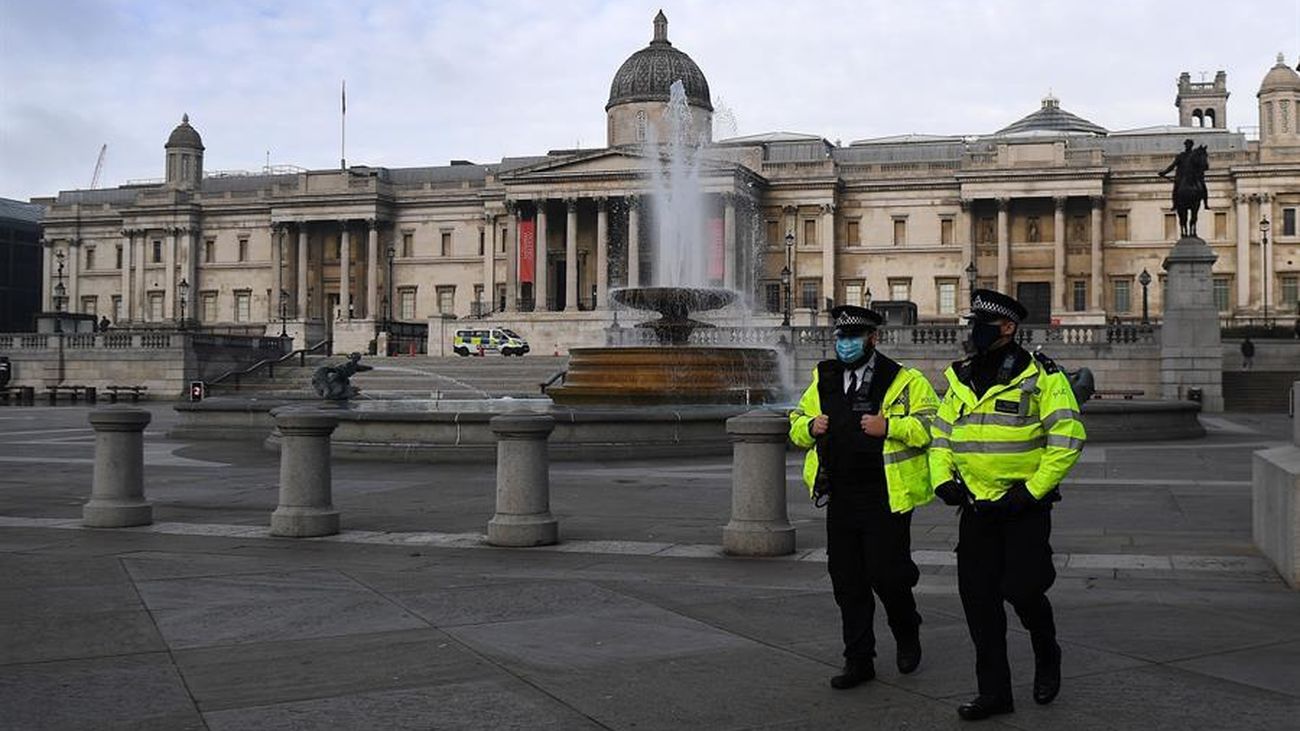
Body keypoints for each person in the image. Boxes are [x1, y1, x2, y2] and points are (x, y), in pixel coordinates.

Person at [929, 289, 1086, 722]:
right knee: (978, 601)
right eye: (972, 324)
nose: (973, 332)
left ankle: (1046, 651)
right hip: (976, 507)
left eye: (981, 325)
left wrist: (1033, 490)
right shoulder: (960, 376)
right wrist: (942, 479)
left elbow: (1068, 438)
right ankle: (994, 692)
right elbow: (940, 435)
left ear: (1008, 328)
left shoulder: (1042, 376)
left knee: (1023, 590)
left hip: (1023, 508)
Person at [788, 305, 939, 689]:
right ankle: (859, 659)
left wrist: (890, 425)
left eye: (853, 337)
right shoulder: (824, 379)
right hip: (839, 492)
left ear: (873, 338)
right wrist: (810, 425)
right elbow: (796, 425)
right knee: (847, 581)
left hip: (885, 493)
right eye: (840, 337)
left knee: (888, 576)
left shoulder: (905, 380)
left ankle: (907, 628)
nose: (844, 344)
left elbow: (932, 427)